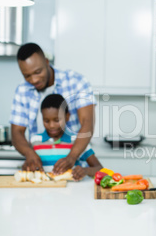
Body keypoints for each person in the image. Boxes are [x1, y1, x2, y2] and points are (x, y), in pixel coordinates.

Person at [10, 42, 96, 175]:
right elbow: (16, 133)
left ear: (46, 62)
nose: (33, 79)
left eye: (38, 72)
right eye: (27, 76)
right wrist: (30, 154)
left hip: (76, 173)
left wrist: (71, 157)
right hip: (41, 172)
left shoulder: (76, 82)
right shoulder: (22, 90)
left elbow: (87, 123)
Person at [30, 94, 102, 181]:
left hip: (72, 192)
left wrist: (85, 171)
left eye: (57, 120)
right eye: (46, 121)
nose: (51, 125)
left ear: (67, 116)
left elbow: (101, 170)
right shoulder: (35, 141)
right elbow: (30, 166)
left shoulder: (78, 142)